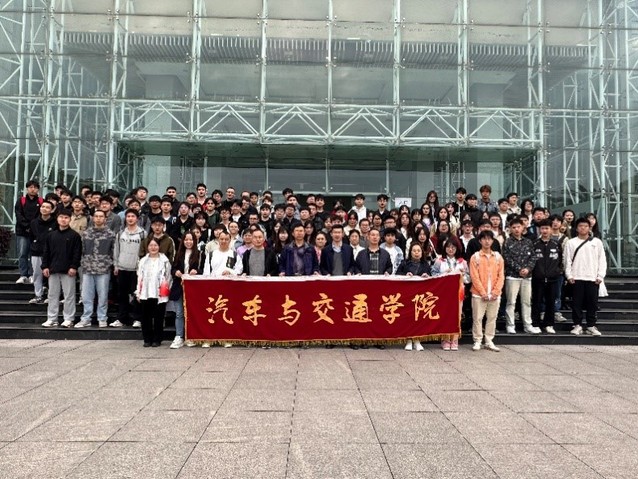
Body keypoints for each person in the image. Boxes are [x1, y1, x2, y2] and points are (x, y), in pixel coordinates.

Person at [564, 217, 607, 336]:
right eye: (580, 226)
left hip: (592, 278)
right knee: (576, 303)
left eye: (585, 226)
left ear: (589, 228)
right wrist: (569, 275)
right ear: (576, 228)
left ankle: (591, 325)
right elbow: (567, 260)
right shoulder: (571, 242)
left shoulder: (597, 242)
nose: (583, 228)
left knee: (592, 304)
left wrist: (600, 276)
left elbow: (602, 260)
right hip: (576, 277)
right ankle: (577, 325)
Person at [75, 209, 116, 328]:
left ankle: (102, 318)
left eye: (101, 216)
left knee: (103, 296)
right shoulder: (86, 234)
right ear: (93, 218)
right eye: (96, 216)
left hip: (103, 268)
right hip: (87, 268)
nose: (98, 218)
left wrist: (111, 264)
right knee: (87, 296)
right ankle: (86, 318)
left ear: (105, 219)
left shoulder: (110, 234)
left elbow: (113, 251)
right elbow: (81, 250)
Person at [41, 209, 82, 328]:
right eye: (61, 217)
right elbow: (46, 252)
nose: (63, 220)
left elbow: (77, 253)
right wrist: (45, 266)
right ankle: (52, 318)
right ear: (57, 218)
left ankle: (69, 318)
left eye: (66, 217)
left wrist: (74, 266)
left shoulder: (75, 236)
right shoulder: (51, 235)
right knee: (52, 295)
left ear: (70, 219)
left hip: (68, 270)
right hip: (53, 269)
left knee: (69, 295)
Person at [469, 230, 504, 352]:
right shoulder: (475, 257)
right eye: (484, 239)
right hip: (479, 294)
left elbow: (501, 276)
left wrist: (496, 292)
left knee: (492, 318)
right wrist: (483, 292)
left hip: (494, 294)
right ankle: (477, 340)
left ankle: (489, 340)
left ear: (492, 241)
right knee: (477, 318)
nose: (487, 241)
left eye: (489, 239)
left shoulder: (498, 257)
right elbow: (474, 277)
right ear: (480, 241)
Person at [502, 217, 538, 334]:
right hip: (512, 276)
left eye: (518, 227)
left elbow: (533, 257)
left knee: (526, 302)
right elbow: (507, 258)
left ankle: (528, 325)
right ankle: (510, 325)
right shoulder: (507, 242)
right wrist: (519, 269)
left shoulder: (528, 242)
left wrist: (528, 268)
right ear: (510, 229)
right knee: (511, 302)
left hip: (527, 276)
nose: (516, 229)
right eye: (514, 227)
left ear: (523, 227)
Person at [431, 239, 469, 351]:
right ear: (445, 248)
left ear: (457, 249)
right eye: (448, 247)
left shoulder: (463, 262)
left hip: (458, 293)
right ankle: (446, 339)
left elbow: (468, 278)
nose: (451, 249)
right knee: (445, 316)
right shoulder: (439, 261)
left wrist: (463, 275)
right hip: (444, 293)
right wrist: (443, 274)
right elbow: (433, 275)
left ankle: (455, 339)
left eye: (453, 247)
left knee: (457, 316)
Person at [112, 208, 147, 328]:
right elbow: (116, 250)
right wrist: (116, 265)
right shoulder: (120, 233)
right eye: (128, 216)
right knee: (122, 295)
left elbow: (145, 251)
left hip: (136, 269)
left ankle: (137, 318)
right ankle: (122, 318)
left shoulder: (142, 234)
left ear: (137, 219)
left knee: (137, 295)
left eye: (133, 216)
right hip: (122, 268)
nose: (130, 219)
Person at [135, 238, 172, 347]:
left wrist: (166, 291)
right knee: (145, 317)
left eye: (155, 245)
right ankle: (147, 339)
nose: (153, 248)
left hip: (159, 293)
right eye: (151, 245)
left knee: (158, 317)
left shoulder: (164, 261)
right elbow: (139, 277)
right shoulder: (143, 261)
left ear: (159, 247)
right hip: (145, 292)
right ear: (147, 247)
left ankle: (157, 339)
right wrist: (138, 292)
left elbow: (168, 277)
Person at [396, 242, 431, 352]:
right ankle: (408, 340)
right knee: (408, 318)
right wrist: (405, 276)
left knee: (419, 318)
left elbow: (431, 279)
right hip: (407, 295)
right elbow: (397, 274)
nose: (416, 253)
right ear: (410, 252)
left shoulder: (426, 265)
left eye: (418, 251)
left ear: (422, 253)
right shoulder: (404, 263)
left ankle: (417, 340)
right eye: (414, 250)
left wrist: (427, 276)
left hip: (420, 296)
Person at [169, 232, 201, 349]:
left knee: (192, 313)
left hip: (193, 288)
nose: (188, 242)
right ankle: (179, 336)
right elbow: (173, 269)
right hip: (179, 286)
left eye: (191, 240)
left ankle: (191, 336)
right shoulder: (179, 254)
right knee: (179, 313)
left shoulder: (199, 254)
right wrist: (176, 272)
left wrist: (196, 271)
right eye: (186, 240)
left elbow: (203, 269)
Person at [531, 219, 562, 334]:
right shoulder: (534, 243)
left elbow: (560, 260)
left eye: (547, 228)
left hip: (553, 278)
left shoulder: (556, 244)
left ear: (551, 229)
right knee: (536, 301)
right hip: (537, 278)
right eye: (542, 228)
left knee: (551, 302)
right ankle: (535, 324)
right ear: (539, 229)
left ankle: (549, 324)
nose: (544, 231)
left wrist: (557, 271)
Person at [28, 200, 57, 304]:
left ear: (52, 210)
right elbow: (31, 237)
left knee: (51, 275)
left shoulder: (55, 223)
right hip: (36, 251)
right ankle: (38, 295)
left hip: (51, 253)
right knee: (37, 274)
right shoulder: (34, 222)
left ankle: (51, 295)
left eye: (47, 207)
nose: (44, 209)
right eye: (43, 207)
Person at [15, 180, 42, 283]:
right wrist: (26, 226)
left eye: (35, 187)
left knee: (34, 254)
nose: (33, 189)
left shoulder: (41, 201)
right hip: (22, 231)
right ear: (27, 189)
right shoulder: (21, 200)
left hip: (35, 232)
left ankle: (32, 274)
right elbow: (18, 215)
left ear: (38, 189)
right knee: (22, 253)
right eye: (30, 187)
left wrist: (33, 227)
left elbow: (40, 216)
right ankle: (23, 274)